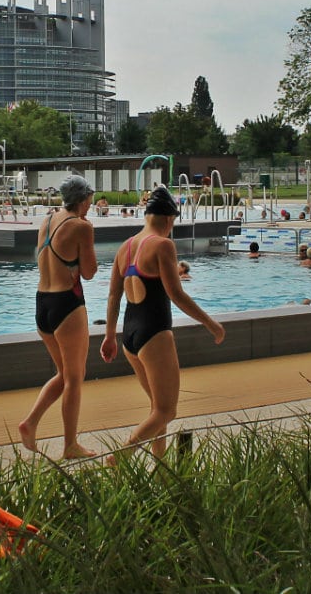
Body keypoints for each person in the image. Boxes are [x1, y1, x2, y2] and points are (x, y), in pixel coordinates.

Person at [101, 187, 224, 459]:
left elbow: (113, 295)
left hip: (130, 336)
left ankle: (162, 467)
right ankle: (120, 456)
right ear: (169, 219)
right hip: (154, 333)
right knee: (167, 411)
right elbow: (176, 294)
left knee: (157, 408)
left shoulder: (125, 247)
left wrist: (110, 335)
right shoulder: (162, 245)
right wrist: (210, 323)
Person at [18, 175, 99, 459]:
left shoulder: (48, 220)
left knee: (64, 374)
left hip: (43, 304)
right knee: (75, 378)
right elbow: (89, 272)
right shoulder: (81, 226)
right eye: (90, 198)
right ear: (84, 198)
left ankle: (30, 423)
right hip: (67, 304)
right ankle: (70, 445)